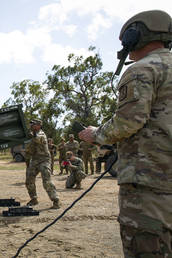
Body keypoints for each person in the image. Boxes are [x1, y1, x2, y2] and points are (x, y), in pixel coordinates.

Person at [79, 10, 172, 257]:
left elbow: (128, 123)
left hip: (149, 185)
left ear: (135, 35)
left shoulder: (142, 70)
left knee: (146, 246)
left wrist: (95, 134)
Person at [25, 119, 60, 209]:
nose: (32, 126)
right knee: (29, 180)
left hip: (44, 159)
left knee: (46, 181)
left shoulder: (41, 134)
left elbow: (38, 139)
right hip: (35, 160)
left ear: (39, 126)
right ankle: (34, 199)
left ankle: (55, 200)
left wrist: (32, 134)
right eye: (31, 124)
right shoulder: (32, 134)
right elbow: (29, 148)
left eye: (34, 124)